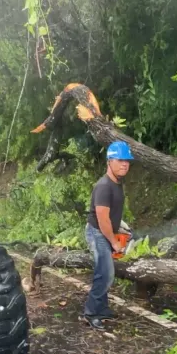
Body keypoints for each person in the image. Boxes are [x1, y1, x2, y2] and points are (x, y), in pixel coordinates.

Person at [80, 140, 133, 330]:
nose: (124, 164)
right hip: (97, 233)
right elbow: (102, 220)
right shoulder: (104, 186)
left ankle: (101, 309)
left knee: (106, 271)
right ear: (109, 161)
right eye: (120, 160)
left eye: (127, 160)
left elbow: (111, 215)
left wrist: (120, 227)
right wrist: (114, 242)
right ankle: (91, 313)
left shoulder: (117, 183)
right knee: (105, 273)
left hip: (105, 231)